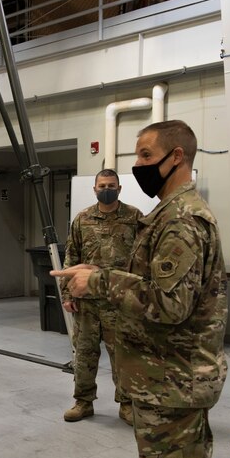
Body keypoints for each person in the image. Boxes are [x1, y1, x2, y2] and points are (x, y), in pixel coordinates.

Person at [52, 120, 230, 458]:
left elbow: (169, 305)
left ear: (177, 157)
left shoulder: (179, 220)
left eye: (146, 156)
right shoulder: (166, 216)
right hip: (169, 379)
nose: (137, 166)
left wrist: (99, 280)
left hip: (170, 383)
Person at [60, 168, 141, 425]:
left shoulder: (134, 217)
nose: (107, 189)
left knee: (122, 353)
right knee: (84, 353)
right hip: (86, 300)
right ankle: (83, 402)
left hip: (118, 300)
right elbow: (71, 257)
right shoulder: (82, 219)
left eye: (111, 185)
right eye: (102, 185)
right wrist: (67, 293)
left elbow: (143, 258)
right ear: (94, 189)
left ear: (119, 188)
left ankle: (127, 404)